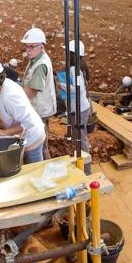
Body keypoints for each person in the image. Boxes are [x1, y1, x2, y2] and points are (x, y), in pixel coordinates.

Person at [20, 27, 57, 160]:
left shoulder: (40, 65)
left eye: (32, 47)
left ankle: (46, 172)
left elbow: (30, 92)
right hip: (40, 108)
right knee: (42, 144)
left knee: (40, 146)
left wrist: (13, 92)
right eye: (26, 47)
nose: (28, 50)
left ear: (42, 46)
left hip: (39, 110)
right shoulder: (36, 58)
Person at [60, 41, 91, 174]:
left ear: (71, 54)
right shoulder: (77, 68)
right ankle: (82, 166)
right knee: (79, 137)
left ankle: (86, 170)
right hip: (78, 108)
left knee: (81, 139)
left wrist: (60, 84)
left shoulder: (75, 69)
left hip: (80, 109)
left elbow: (76, 89)